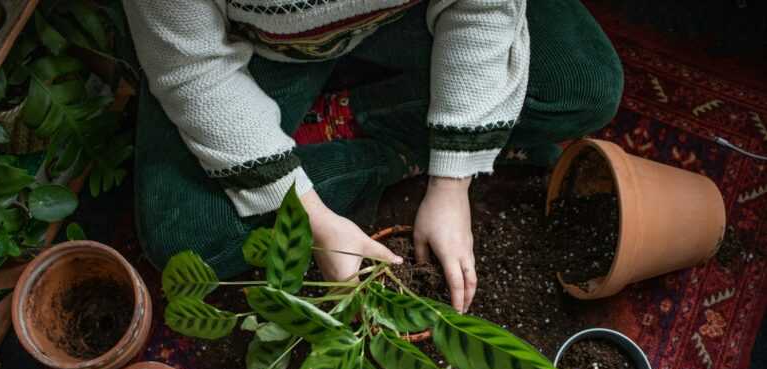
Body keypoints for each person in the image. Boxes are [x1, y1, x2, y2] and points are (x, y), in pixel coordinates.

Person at [124, 0, 623, 313]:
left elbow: (483, 6)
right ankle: (394, 132)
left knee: (584, 85)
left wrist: (452, 182)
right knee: (185, 234)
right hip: (264, 47)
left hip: (408, 16)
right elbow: (193, 70)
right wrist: (311, 217)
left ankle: (357, 122)